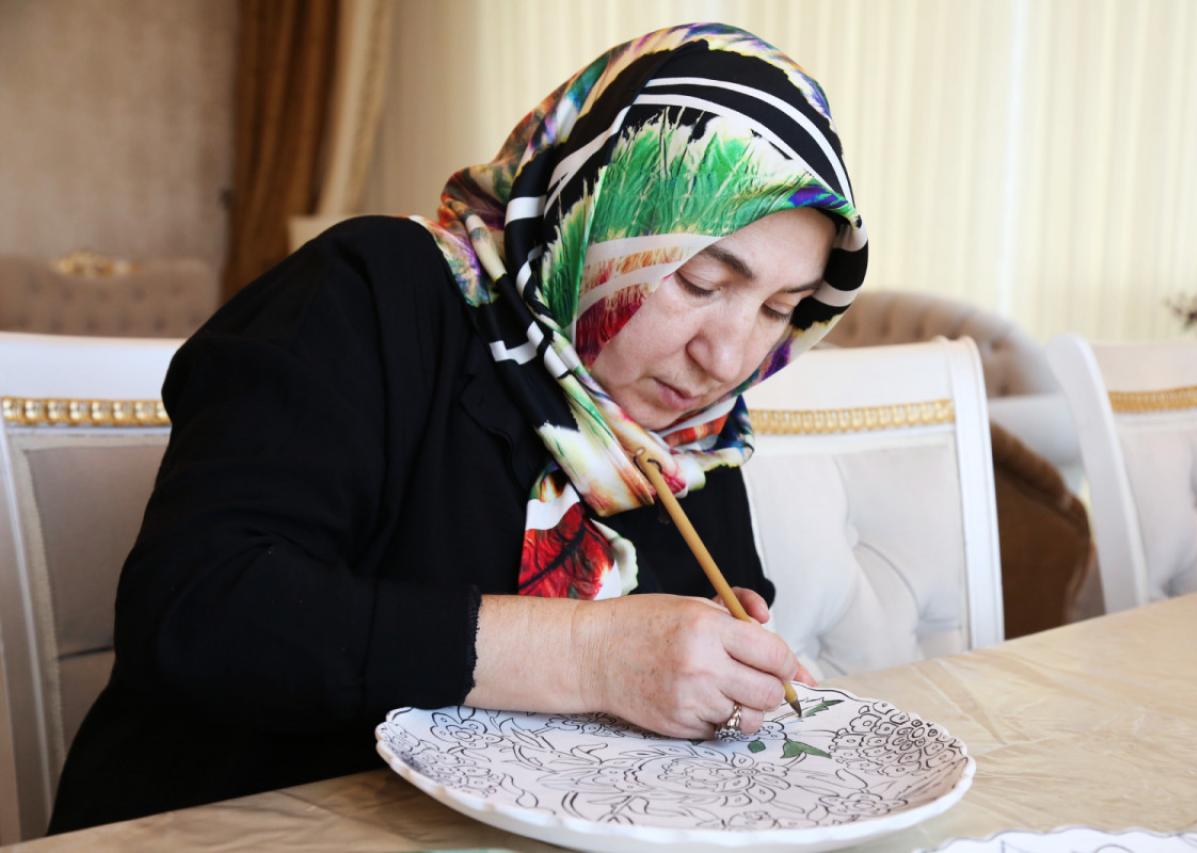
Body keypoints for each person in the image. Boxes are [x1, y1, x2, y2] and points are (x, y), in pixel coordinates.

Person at [48, 21, 867, 832]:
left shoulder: (690, 433)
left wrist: (720, 678)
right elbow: (195, 608)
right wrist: (589, 654)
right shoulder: (374, 291)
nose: (727, 356)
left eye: (778, 308)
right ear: (598, 215)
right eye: (700, 281)